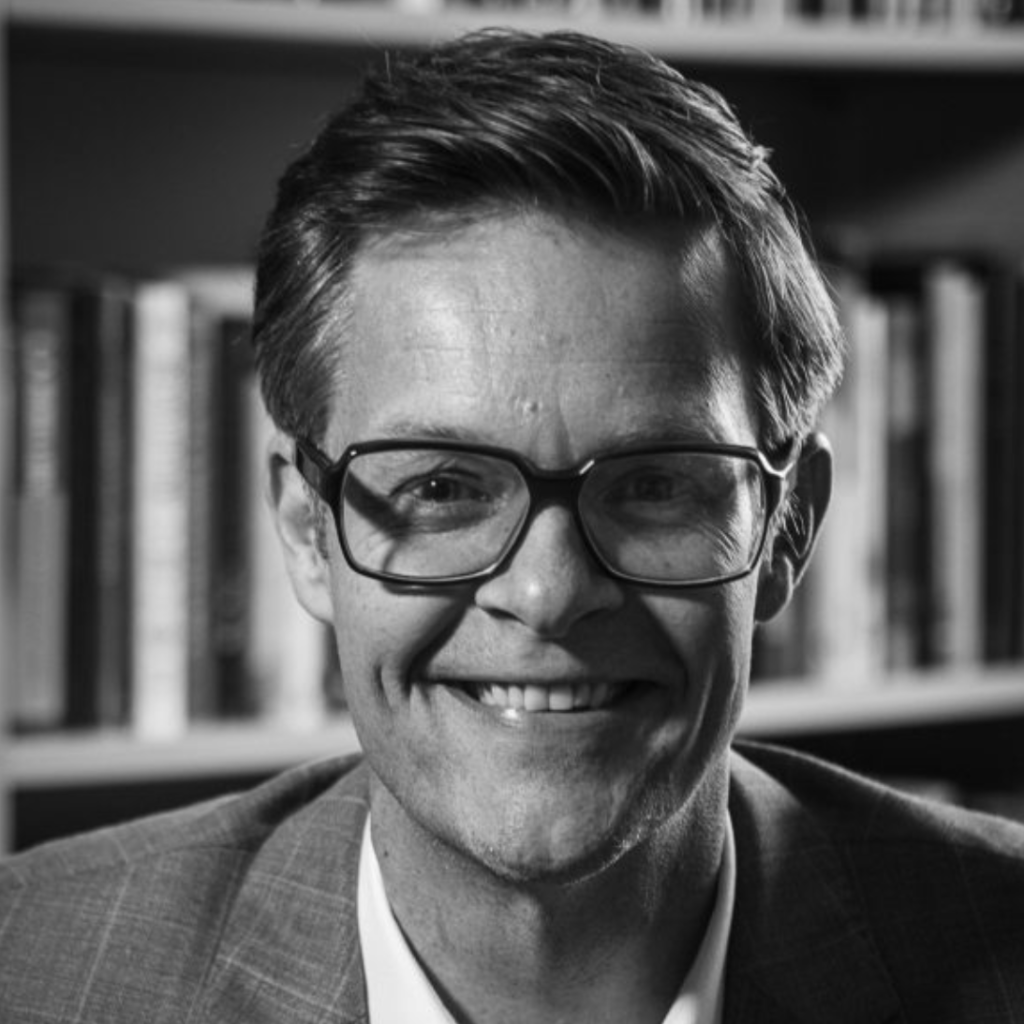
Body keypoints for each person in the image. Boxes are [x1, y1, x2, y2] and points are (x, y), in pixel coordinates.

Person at [1, 27, 1022, 1024]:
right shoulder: (29, 964)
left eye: (655, 484)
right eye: (442, 486)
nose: (546, 592)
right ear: (306, 530)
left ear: (786, 529)